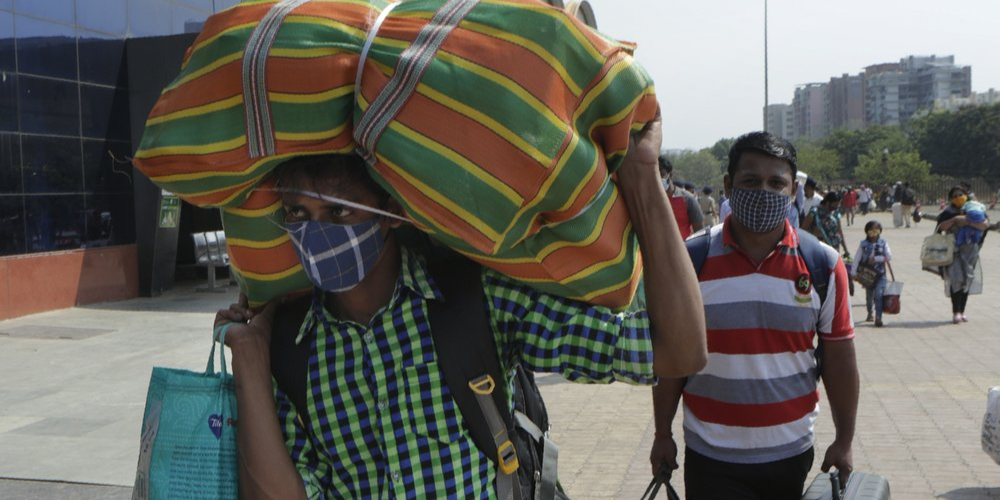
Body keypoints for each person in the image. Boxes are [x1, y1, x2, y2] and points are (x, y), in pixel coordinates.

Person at [213, 115, 709, 500]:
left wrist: (642, 176)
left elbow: (678, 351)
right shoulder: (291, 348)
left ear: (392, 213)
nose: (315, 232)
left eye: (339, 211)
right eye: (298, 214)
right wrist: (251, 365)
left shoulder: (477, 303)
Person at [649, 131, 858, 500]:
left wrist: (844, 441)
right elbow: (672, 361)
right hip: (710, 456)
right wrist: (662, 433)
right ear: (729, 185)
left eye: (777, 183)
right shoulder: (690, 260)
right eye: (751, 181)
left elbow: (839, 361)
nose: (764, 191)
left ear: (794, 190)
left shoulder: (823, 264)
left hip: (792, 454)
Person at [934, 186, 990, 324]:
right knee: (956, 280)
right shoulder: (948, 212)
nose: (958, 197)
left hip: (971, 251)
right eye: (955, 195)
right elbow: (940, 228)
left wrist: (969, 221)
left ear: (966, 195)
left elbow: (985, 225)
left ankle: (962, 311)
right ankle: (956, 312)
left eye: (961, 194)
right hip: (954, 251)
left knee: (966, 281)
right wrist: (954, 220)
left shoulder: (975, 209)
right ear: (950, 199)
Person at [851, 221, 892, 327]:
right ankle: (870, 312)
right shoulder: (863, 244)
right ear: (867, 232)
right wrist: (853, 272)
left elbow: (889, 256)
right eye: (871, 231)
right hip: (867, 275)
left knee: (879, 295)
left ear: (880, 232)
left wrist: (877, 259)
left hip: (880, 274)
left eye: (876, 231)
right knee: (869, 295)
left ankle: (878, 318)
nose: (874, 234)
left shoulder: (884, 243)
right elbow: (857, 258)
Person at [658, 156, 705, 239]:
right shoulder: (650, 200)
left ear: (670, 175)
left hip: (684, 248)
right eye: (655, 175)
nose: (658, 179)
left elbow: (700, 232)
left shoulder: (688, 199)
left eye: (661, 175)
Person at [802, 192, 850, 257]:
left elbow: (839, 231)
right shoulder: (814, 213)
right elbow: (802, 230)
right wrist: (813, 233)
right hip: (819, 249)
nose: (837, 207)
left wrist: (845, 249)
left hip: (834, 250)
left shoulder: (835, 214)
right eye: (835, 204)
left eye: (838, 205)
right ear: (828, 203)